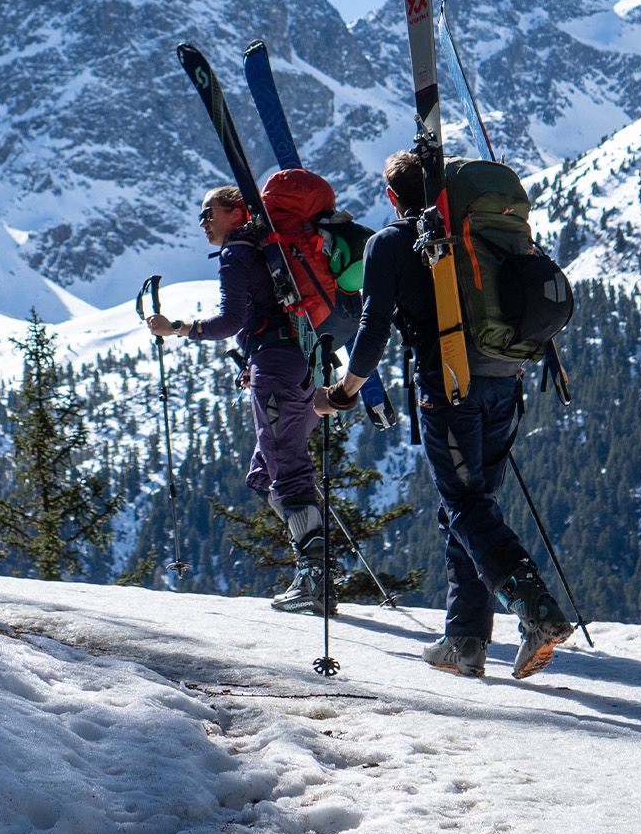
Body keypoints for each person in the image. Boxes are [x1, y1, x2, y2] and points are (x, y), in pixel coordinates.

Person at [317, 150, 574, 678]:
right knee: (471, 507)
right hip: (505, 381)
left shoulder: (390, 242)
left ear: (393, 196)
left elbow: (373, 331)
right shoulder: (473, 239)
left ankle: (536, 610)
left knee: (462, 504)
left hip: (449, 386)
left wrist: (345, 391)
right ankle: (465, 639)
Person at [146, 186, 327, 614]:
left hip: (276, 369)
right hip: (301, 365)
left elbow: (230, 320)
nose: (204, 222)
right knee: (267, 470)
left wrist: (179, 328)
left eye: (209, 212)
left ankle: (315, 583)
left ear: (236, 211)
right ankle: (315, 573)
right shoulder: (266, 249)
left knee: (286, 469)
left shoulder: (238, 253)